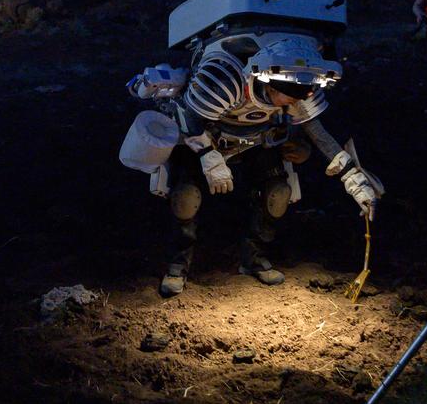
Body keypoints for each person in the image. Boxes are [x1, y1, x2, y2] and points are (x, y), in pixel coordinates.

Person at [129, 32, 385, 298]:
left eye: (301, 95)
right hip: (207, 138)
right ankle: (178, 264)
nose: (295, 102)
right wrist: (209, 156)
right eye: (289, 96)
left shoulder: (296, 78)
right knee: (186, 198)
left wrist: (354, 179)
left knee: (278, 193)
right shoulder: (226, 76)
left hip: (255, 141)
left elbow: (317, 132)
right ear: (270, 84)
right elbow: (190, 118)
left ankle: (254, 257)